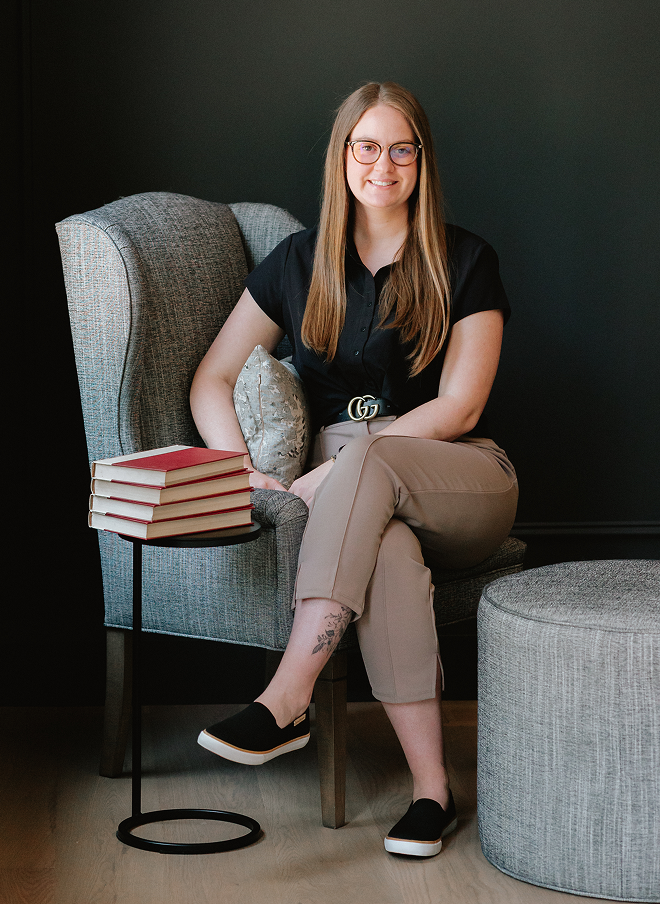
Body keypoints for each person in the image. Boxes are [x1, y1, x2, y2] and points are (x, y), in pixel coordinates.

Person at [190, 81, 518, 857]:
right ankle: (433, 793)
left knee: (374, 470)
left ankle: (287, 696)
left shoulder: (466, 259)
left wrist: (342, 469)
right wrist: (243, 470)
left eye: (401, 148)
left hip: (458, 474)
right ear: (343, 157)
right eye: (366, 146)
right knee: (390, 559)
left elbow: (463, 407)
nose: (384, 164)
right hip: (357, 504)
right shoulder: (298, 264)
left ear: (421, 160)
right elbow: (212, 376)